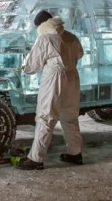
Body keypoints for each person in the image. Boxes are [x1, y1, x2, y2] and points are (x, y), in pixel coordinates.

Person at [16, 10, 84, 170]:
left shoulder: (45, 38)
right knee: (70, 116)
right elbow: (79, 54)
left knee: (46, 116)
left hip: (54, 77)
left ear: (41, 25)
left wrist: (21, 67)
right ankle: (75, 153)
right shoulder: (71, 37)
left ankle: (36, 159)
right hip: (72, 76)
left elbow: (32, 66)